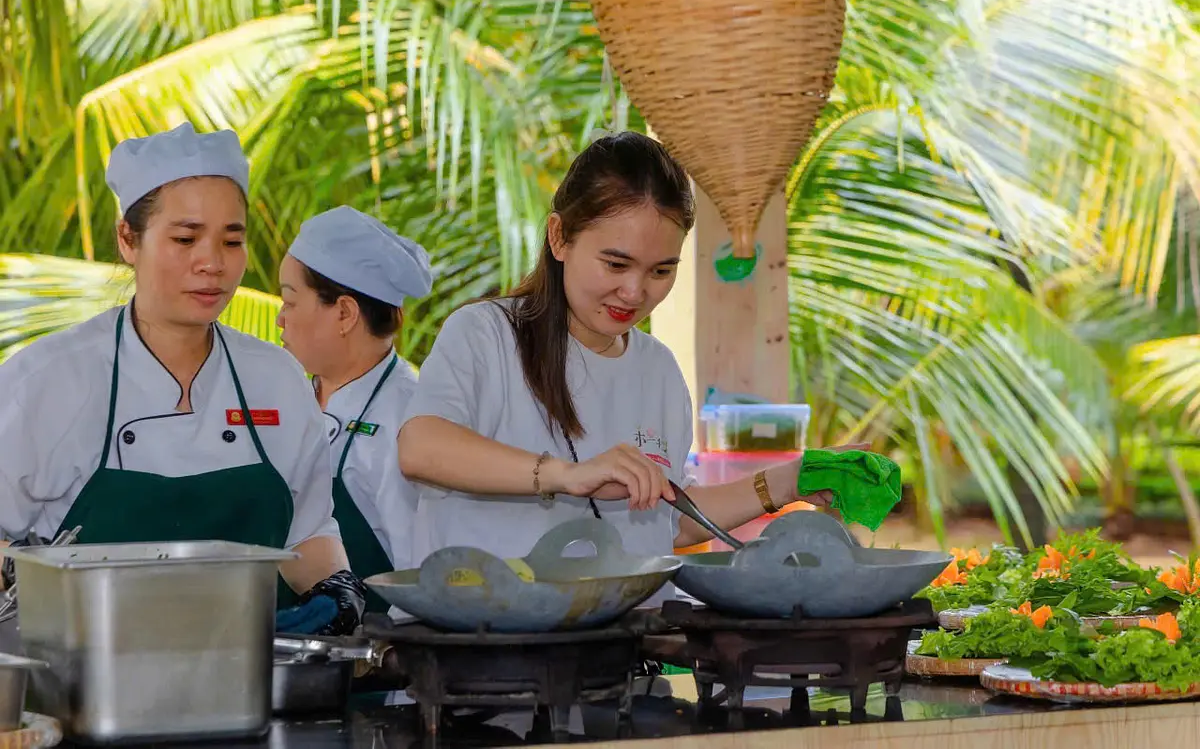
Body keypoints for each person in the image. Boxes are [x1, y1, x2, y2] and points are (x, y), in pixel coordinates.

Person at [396, 131, 852, 578]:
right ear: (559, 238)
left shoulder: (658, 370)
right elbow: (421, 448)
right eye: (615, 264)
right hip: (490, 637)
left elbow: (669, 521)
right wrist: (566, 475)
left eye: (661, 270)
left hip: (619, 639)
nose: (634, 291)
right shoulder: (487, 333)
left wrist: (793, 480)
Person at [0, 123, 365, 636]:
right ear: (128, 239)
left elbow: (306, 533)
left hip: (239, 684)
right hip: (78, 687)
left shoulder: (275, 379)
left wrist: (337, 587)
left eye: (231, 240)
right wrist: (28, 570)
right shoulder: (48, 380)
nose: (212, 263)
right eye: (185, 238)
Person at [276, 205, 433, 612]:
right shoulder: (281, 397)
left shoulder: (409, 420)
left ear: (344, 313)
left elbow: (420, 578)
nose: (279, 319)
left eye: (290, 302)